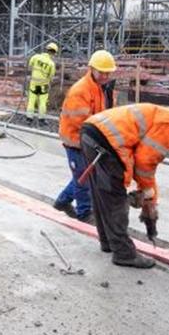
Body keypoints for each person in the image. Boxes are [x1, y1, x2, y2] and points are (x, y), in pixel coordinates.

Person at [80, 102, 169, 269]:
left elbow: (141, 157)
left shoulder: (167, 113)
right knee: (116, 198)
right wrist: (147, 189)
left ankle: (108, 242)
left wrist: (148, 190)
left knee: (103, 195)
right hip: (106, 142)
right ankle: (124, 253)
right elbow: (145, 161)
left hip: (91, 133)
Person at [54, 50, 118, 223]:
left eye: (108, 72)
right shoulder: (81, 90)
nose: (105, 75)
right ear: (91, 69)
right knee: (84, 176)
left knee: (83, 175)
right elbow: (79, 123)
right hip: (75, 140)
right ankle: (84, 213)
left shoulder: (102, 88)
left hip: (90, 140)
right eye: (102, 72)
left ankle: (62, 201)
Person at [26, 42, 59, 126]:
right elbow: (51, 76)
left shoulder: (35, 57)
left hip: (33, 84)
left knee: (31, 101)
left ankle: (29, 119)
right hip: (43, 86)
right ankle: (41, 120)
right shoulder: (51, 64)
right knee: (42, 102)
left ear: (46, 49)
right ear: (54, 52)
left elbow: (30, 66)